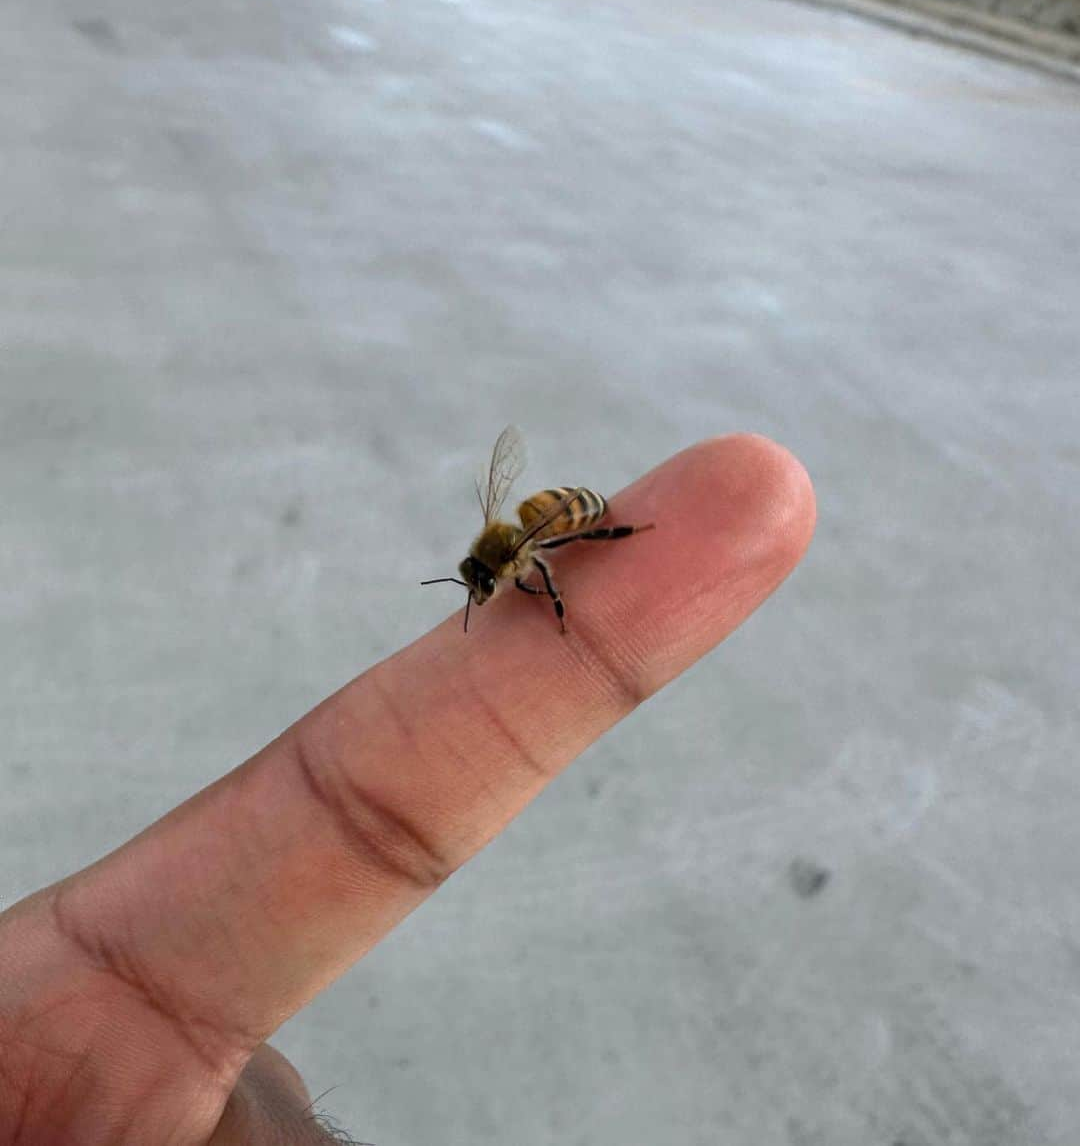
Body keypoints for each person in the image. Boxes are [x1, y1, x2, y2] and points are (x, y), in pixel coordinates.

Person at [0, 435, 814, 1145]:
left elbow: (546, 547)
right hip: (540, 520)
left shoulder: (527, 554)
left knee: (586, 539)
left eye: (486, 585)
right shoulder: (504, 558)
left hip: (566, 514)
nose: (486, 595)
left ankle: (634, 534)